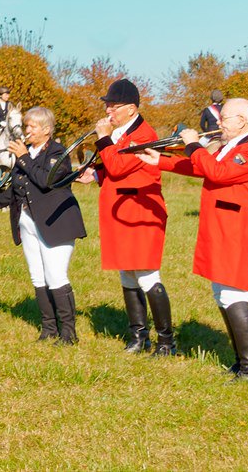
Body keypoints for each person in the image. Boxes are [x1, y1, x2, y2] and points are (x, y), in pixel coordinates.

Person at [137, 98, 248, 381]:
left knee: (235, 295)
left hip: (238, 231)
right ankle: (241, 363)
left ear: (242, 121)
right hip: (222, 228)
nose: (218, 122)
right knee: (222, 294)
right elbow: (203, 168)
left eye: (223, 117)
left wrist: (192, 144)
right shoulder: (231, 146)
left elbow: (216, 172)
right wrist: (161, 161)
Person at [0, 106, 86, 344]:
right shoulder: (25, 155)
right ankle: (49, 328)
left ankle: (69, 333)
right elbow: (16, 190)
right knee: (38, 276)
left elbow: (45, 182)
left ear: (46, 130)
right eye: (26, 125)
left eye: (32, 127)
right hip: (27, 222)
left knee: (56, 275)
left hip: (56, 222)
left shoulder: (58, 153)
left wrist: (23, 158)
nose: (26, 131)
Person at [88, 78, 175, 355]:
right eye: (108, 105)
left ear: (132, 109)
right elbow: (114, 169)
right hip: (119, 211)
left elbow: (118, 165)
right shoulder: (121, 134)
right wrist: (95, 174)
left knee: (147, 274)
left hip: (139, 213)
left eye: (114, 106)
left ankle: (166, 341)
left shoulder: (144, 135)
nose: (108, 111)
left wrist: (102, 139)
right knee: (127, 273)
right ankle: (138, 336)